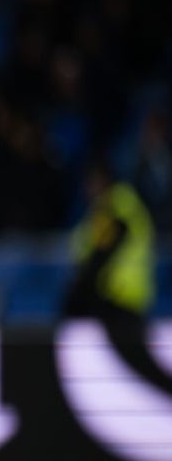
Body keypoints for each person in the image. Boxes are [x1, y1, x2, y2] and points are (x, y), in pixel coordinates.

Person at [62, 159, 168, 393]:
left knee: (133, 372)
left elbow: (102, 251)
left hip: (119, 301)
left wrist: (79, 289)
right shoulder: (108, 208)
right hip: (117, 301)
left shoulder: (118, 205)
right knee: (122, 376)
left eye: (91, 183)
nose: (88, 189)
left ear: (101, 180)